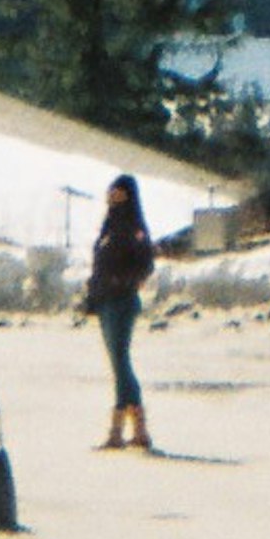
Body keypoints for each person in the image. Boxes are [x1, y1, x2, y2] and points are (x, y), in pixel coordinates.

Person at [82, 173, 157, 451]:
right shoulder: (109, 224)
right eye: (112, 189)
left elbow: (146, 264)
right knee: (118, 362)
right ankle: (136, 430)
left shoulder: (133, 226)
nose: (113, 194)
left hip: (122, 301)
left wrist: (122, 281)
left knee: (121, 362)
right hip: (105, 302)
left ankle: (123, 429)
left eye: (119, 190)